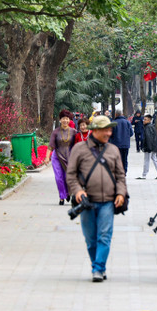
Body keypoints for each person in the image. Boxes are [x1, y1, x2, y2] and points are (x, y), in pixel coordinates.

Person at [66, 116, 127, 282]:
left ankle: (98, 268)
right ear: (95, 130)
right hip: (87, 203)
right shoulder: (79, 149)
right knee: (91, 239)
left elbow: (121, 175)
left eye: (110, 129)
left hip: (108, 201)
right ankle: (98, 266)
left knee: (105, 236)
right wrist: (77, 191)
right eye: (105, 129)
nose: (109, 133)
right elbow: (70, 174)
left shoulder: (113, 150)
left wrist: (121, 193)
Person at [48, 109, 77, 205]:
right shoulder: (55, 132)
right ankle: (62, 197)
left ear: (69, 120)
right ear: (60, 120)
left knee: (67, 177)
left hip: (69, 157)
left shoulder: (74, 131)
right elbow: (51, 145)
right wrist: (46, 157)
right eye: (63, 119)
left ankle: (68, 193)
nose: (65, 120)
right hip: (57, 157)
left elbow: (78, 144)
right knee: (58, 178)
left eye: (67, 119)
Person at [109, 109, 133, 174]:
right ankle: (124, 172)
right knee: (125, 159)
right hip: (125, 144)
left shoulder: (113, 123)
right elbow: (131, 133)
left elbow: (110, 134)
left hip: (116, 144)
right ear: (122, 114)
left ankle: (118, 172)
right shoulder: (127, 122)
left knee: (117, 159)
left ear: (116, 115)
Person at [137, 114, 157, 180]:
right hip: (153, 146)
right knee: (154, 159)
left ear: (150, 120)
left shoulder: (148, 127)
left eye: (145, 119)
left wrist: (149, 147)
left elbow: (149, 138)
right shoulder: (150, 126)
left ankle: (144, 174)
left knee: (147, 160)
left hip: (149, 147)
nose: (143, 121)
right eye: (144, 119)